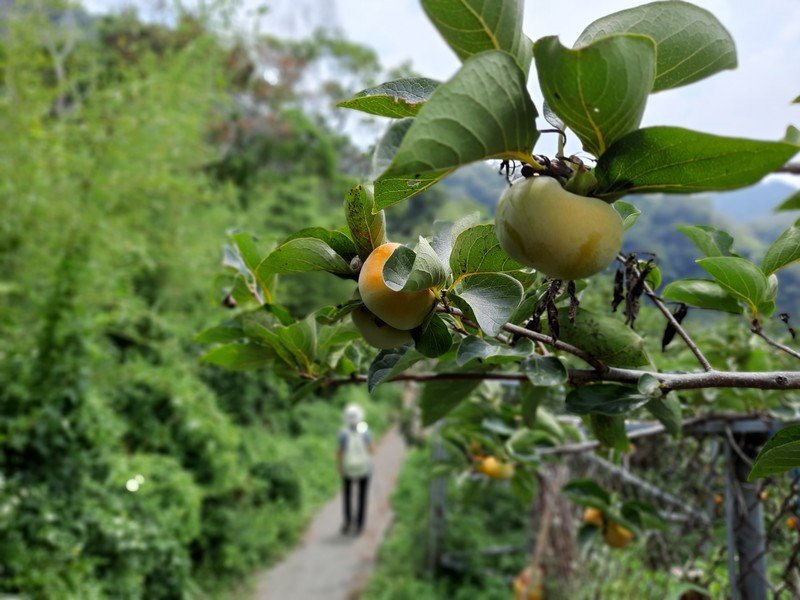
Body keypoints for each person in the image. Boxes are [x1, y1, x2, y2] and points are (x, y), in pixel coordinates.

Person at [337, 403, 374, 535]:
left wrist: (339, 466)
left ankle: (347, 523)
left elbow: (340, 451)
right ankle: (359, 525)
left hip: (348, 468)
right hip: (364, 468)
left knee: (347, 496)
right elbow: (371, 449)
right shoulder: (365, 431)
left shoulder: (343, 432)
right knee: (362, 496)